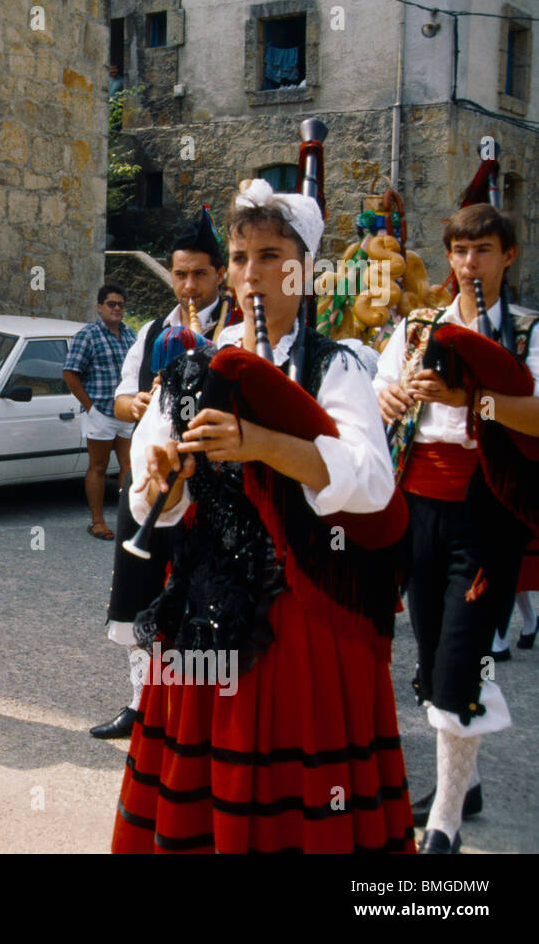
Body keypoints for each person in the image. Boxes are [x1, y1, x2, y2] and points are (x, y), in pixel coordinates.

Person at [112, 179, 415, 853]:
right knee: (203, 782)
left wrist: (264, 446)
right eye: (243, 256)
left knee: (295, 788)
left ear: (304, 270)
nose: (253, 273)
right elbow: (147, 488)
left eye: (272, 255)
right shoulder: (192, 368)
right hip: (203, 605)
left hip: (301, 613)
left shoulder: (336, 368)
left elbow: (369, 482)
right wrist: (162, 473)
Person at [374, 203, 539, 853]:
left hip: (487, 510)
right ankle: (461, 785)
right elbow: (380, 393)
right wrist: (390, 398)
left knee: (461, 657)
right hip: (419, 505)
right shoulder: (418, 325)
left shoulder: (527, 332)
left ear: (508, 257)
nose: (470, 263)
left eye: (483, 251)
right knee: (431, 650)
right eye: (460, 251)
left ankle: (443, 818)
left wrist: (473, 400)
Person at [90, 209, 235, 740]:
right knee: (138, 587)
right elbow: (121, 395)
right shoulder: (152, 330)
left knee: (203, 597)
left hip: (211, 487)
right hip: (150, 481)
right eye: (179, 274)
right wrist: (142, 404)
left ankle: (197, 716)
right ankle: (140, 703)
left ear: (220, 274)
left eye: (199, 274)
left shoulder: (237, 329)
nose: (188, 286)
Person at [63, 284, 135, 541]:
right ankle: (97, 522)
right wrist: (90, 407)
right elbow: (70, 373)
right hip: (100, 412)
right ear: (99, 307)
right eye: (112, 304)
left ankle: (129, 520)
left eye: (121, 305)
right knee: (99, 467)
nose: (117, 309)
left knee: (129, 466)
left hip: (126, 412)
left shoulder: (129, 335)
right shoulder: (88, 335)